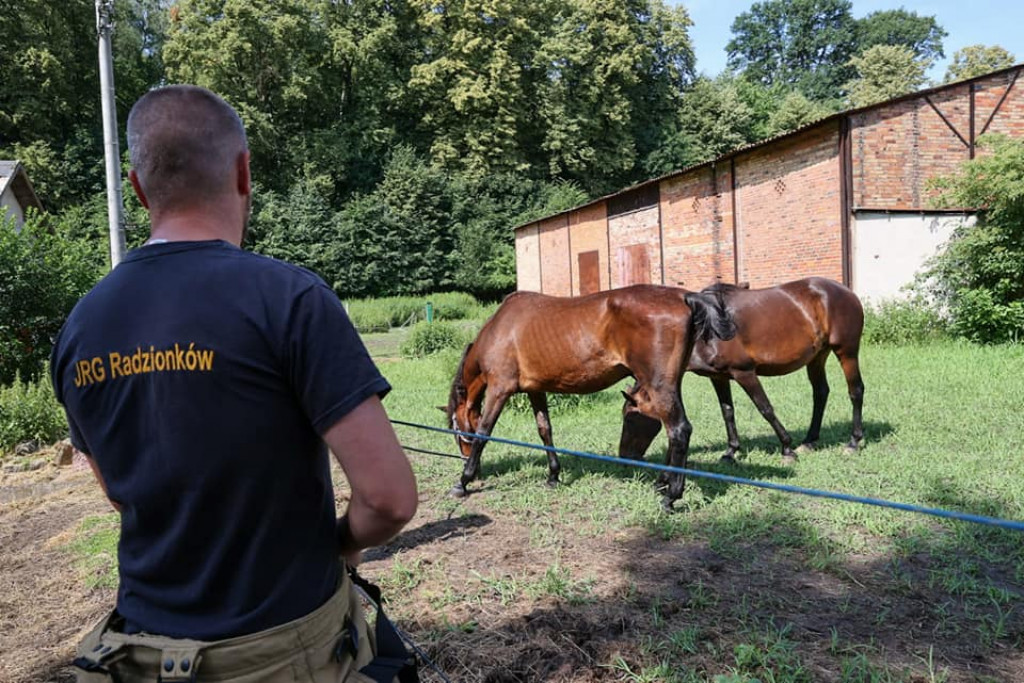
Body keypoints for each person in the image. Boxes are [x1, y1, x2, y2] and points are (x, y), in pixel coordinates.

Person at [50, 85, 419, 683]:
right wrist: (341, 545)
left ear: (138, 188)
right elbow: (388, 499)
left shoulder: (79, 327)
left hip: (138, 651)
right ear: (244, 172)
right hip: (281, 652)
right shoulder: (291, 300)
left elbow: (118, 494)